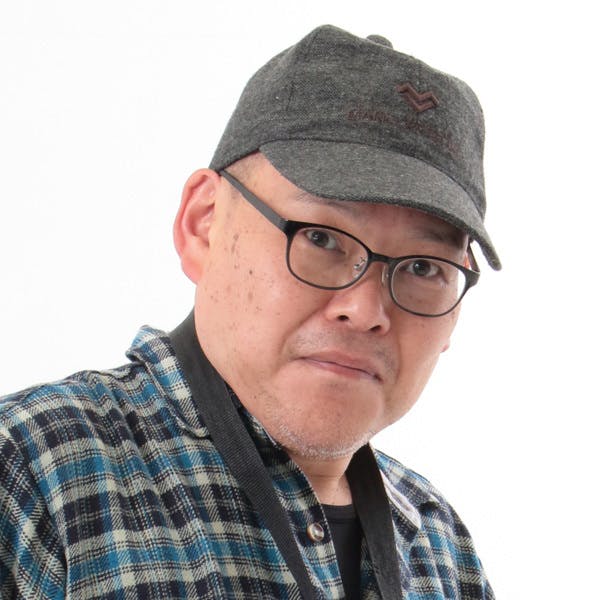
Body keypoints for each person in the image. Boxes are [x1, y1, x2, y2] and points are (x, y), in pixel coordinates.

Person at [0, 25, 500, 599]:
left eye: (423, 268)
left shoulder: (440, 544)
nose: (366, 311)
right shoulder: (30, 472)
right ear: (204, 224)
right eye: (320, 238)